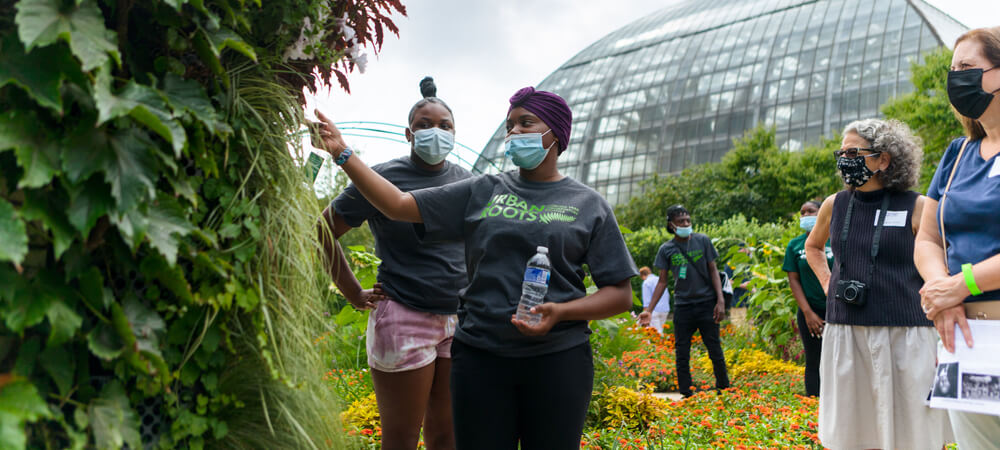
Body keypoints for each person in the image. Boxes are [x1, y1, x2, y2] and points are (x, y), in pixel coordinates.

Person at [313, 86, 637, 450]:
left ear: (556, 134)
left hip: (558, 359)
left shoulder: (589, 204)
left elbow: (620, 294)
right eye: (510, 125)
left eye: (525, 123)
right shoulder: (481, 189)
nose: (514, 133)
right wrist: (343, 153)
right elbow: (398, 205)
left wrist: (561, 311)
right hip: (480, 357)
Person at [316, 77, 471, 450]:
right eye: (425, 125)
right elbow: (321, 232)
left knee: (446, 435)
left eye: (445, 126)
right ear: (408, 133)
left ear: (455, 133)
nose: (436, 132)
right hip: (404, 315)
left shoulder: (467, 181)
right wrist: (354, 292)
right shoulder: (382, 177)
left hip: (460, 320)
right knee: (401, 438)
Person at [805, 119, 952, 449]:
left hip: (907, 334)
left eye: (854, 152)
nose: (846, 160)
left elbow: (943, 261)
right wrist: (829, 282)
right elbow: (812, 247)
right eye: (841, 153)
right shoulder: (834, 205)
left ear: (883, 159)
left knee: (917, 428)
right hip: (847, 331)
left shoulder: (919, 206)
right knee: (853, 429)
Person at [914, 26, 1000, 448]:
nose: (956, 78)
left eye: (967, 67)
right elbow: (928, 239)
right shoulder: (958, 152)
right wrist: (940, 293)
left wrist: (960, 285)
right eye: (953, 69)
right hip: (964, 340)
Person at [638, 205, 729, 398]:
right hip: (683, 307)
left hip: (706, 304)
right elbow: (662, 282)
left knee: (715, 349)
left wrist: (720, 301)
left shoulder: (702, 241)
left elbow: (713, 270)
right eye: (681, 222)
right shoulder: (666, 249)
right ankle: (687, 392)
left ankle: (725, 389)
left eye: (688, 220)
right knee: (682, 352)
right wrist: (649, 310)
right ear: (671, 225)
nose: (686, 224)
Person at [781, 200, 830, 397]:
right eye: (802, 212)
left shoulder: (836, 239)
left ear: (822, 213)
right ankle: (812, 405)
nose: (806, 215)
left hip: (838, 311)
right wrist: (808, 313)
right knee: (813, 359)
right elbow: (794, 280)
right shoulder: (795, 245)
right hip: (810, 312)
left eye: (811, 211)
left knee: (840, 360)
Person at [638, 266, 670, 333]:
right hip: (665, 309)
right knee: (660, 330)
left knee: (656, 333)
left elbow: (646, 301)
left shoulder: (646, 282)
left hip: (653, 311)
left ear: (642, 275)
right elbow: (667, 295)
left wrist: (645, 312)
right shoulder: (659, 280)